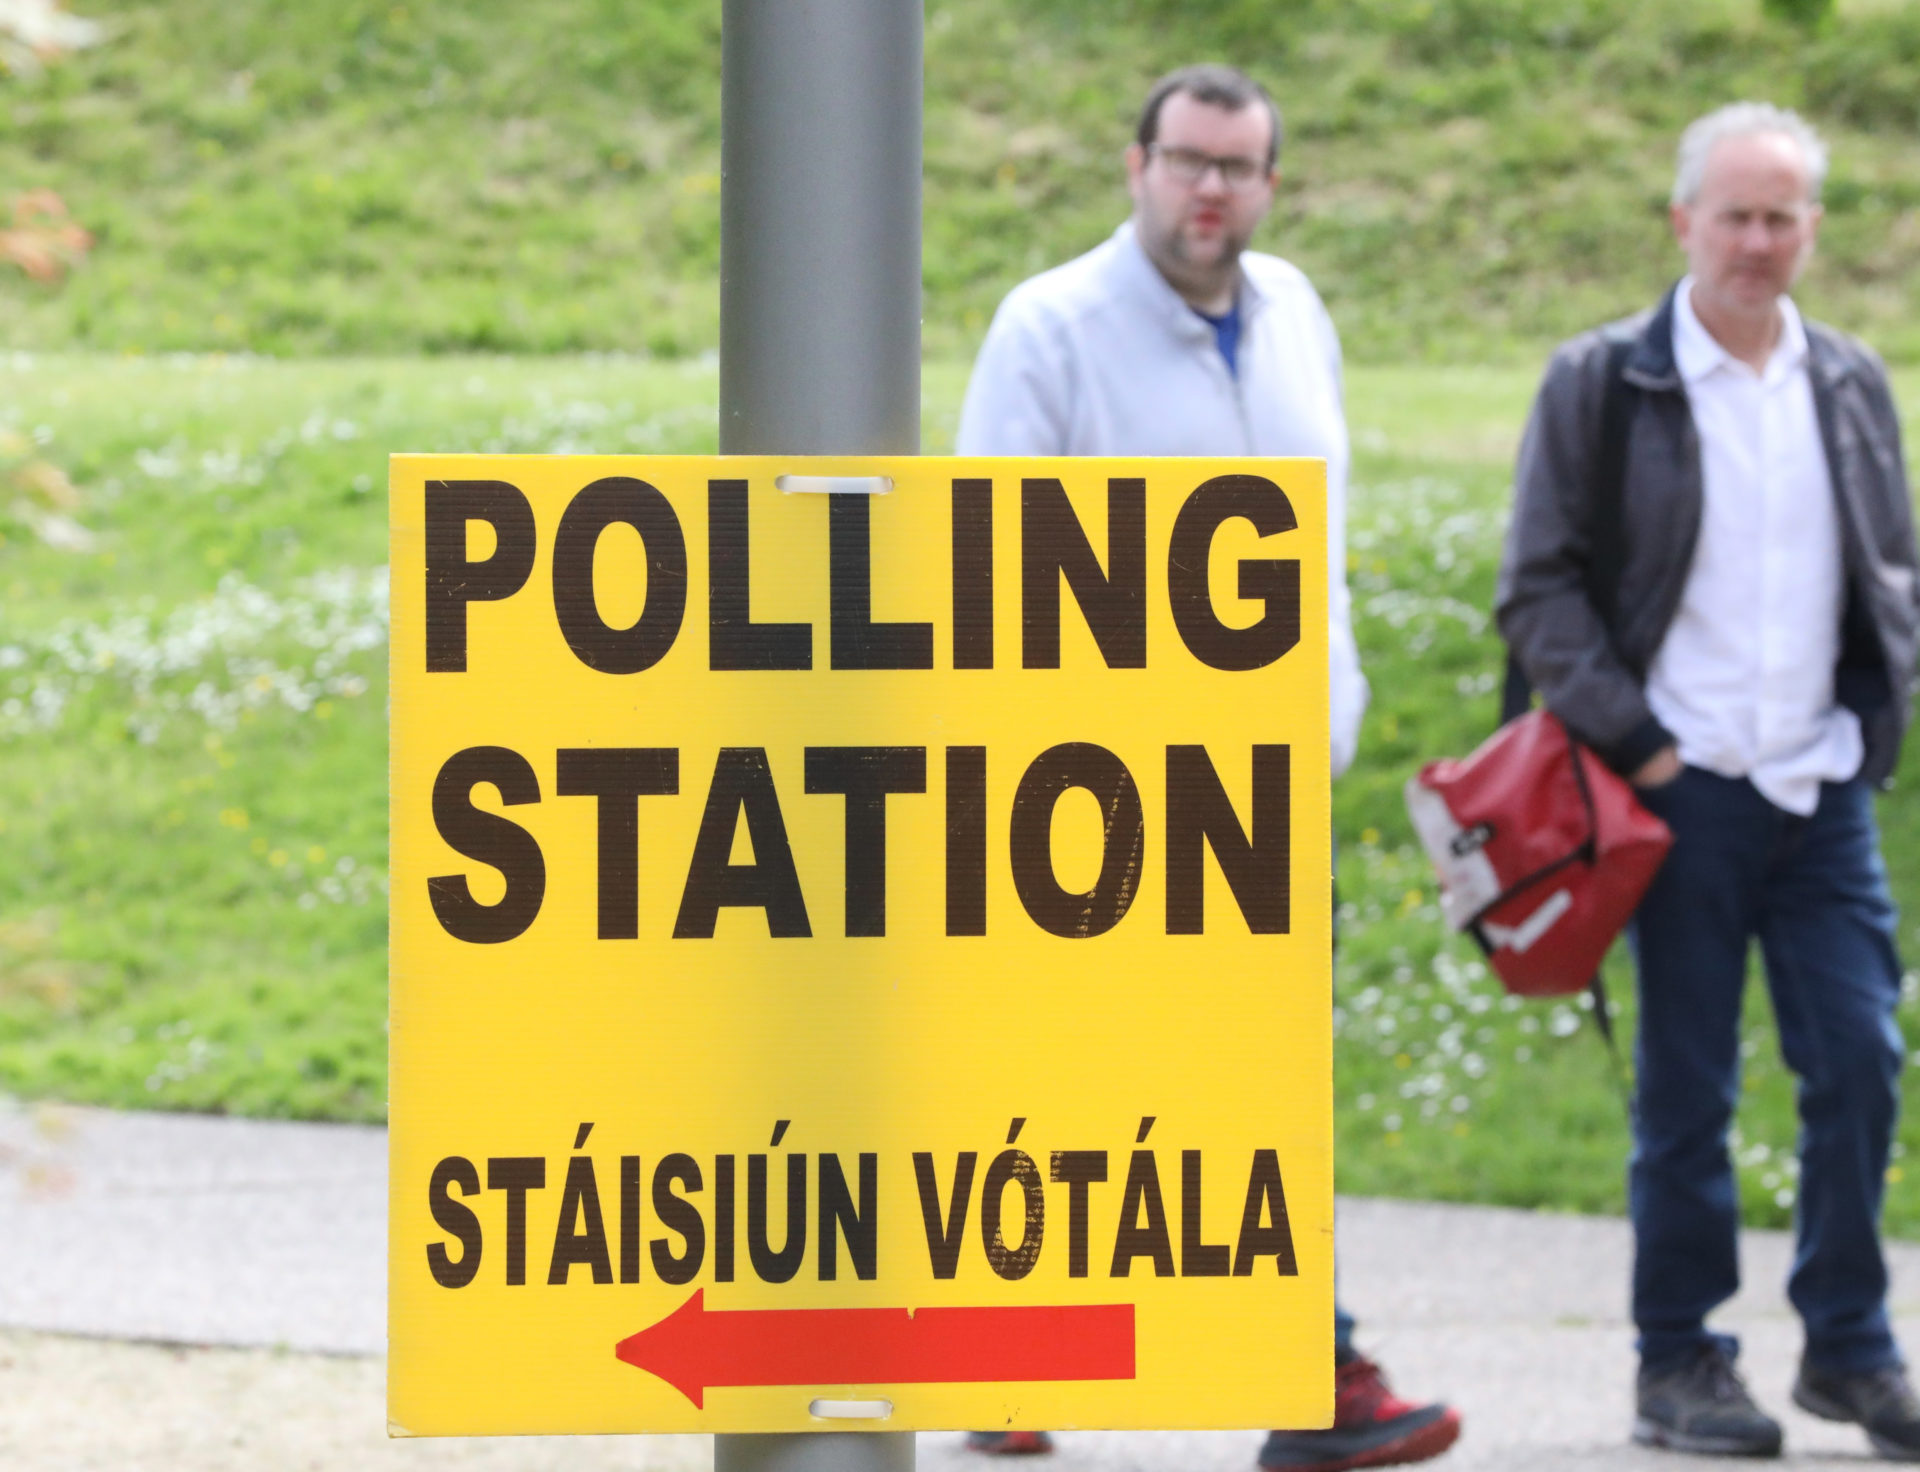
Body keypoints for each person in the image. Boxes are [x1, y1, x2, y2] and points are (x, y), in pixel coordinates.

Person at [955, 63, 1463, 1472]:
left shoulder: (1297, 311)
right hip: (1100, 789)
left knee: (1260, 1084)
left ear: (1271, 184)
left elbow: (1321, 540)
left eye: (1237, 167)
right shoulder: (1050, 327)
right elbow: (987, 565)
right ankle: (1059, 1352)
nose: (1209, 189)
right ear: (1135, 166)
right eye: (1186, 160)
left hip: (1271, 785)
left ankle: (1297, 1380)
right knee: (1084, 1074)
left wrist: (1336, 703)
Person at [1498, 102, 1920, 1460]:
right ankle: (1677, 1361)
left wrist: (1869, 717)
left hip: (1819, 790)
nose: (1757, 240)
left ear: (1812, 228)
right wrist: (1644, 747)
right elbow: (1540, 590)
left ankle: (1849, 1349)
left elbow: (1889, 571)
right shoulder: (1603, 380)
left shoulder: (1849, 381)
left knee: (1862, 1061)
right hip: (1672, 794)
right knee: (1687, 1096)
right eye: (1733, 214)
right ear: (1682, 222)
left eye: (1782, 215)